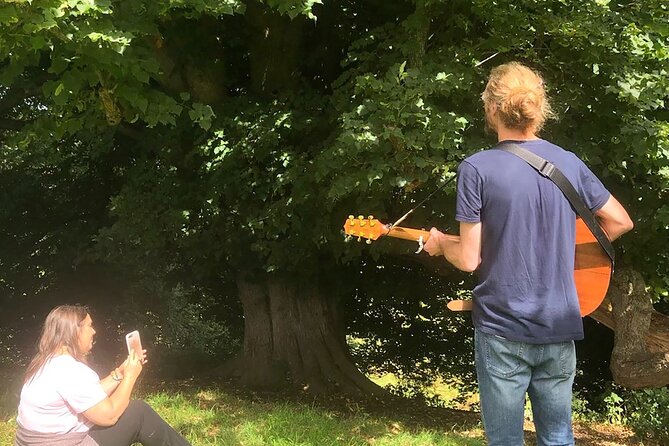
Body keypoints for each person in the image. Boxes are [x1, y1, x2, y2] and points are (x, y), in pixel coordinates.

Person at [423, 62, 634, 446]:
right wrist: (558, 251)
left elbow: (470, 258)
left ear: (491, 109)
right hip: (559, 324)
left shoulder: (477, 168)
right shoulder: (567, 162)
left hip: (503, 327)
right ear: (539, 108)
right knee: (558, 438)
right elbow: (619, 222)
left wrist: (440, 245)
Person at [14, 304, 192, 446]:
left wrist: (120, 373)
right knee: (139, 412)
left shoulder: (46, 362)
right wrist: (131, 375)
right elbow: (109, 416)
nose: (94, 331)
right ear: (74, 331)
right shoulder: (69, 370)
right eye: (89, 326)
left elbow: (88, 395)